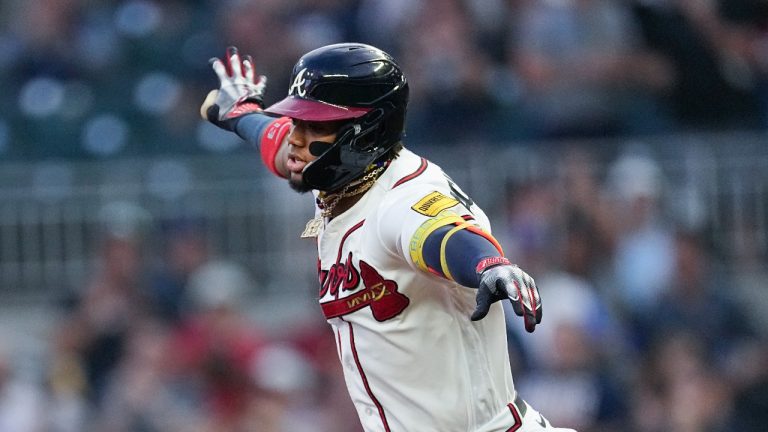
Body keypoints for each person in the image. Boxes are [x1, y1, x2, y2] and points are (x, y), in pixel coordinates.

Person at [200, 43, 576, 432]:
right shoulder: (340, 175)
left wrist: (488, 265)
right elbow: (278, 142)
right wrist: (241, 115)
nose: (296, 137)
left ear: (365, 132)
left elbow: (443, 235)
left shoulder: (402, 199)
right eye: (297, 121)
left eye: (314, 124)